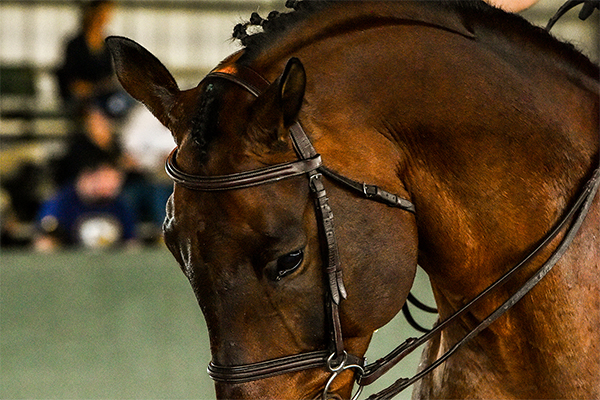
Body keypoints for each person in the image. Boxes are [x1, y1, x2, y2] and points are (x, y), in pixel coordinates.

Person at [34, 154, 137, 251]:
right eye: (105, 178)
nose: (111, 185)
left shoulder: (118, 204)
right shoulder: (61, 202)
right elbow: (44, 241)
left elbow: (131, 241)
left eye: (116, 180)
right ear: (86, 177)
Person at [56, 0, 131, 117]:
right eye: (100, 14)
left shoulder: (106, 45)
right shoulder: (75, 44)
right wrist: (88, 89)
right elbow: (72, 81)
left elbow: (108, 75)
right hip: (82, 98)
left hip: (102, 95)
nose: (103, 19)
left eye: (106, 15)